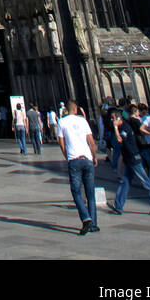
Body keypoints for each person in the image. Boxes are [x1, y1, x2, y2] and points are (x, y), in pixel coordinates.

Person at [107, 108, 150, 216]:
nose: (111, 120)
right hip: (129, 159)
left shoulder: (124, 127)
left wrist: (115, 127)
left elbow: (120, 140)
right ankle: (118, 206)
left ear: (118, 118)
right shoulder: (122, 127)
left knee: (146, 182)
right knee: (125, 181)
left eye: (113, 118)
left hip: (134, 158)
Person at [58, 99, 99, 234]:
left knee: (76, 192)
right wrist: (94, 157)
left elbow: (61, 143)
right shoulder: (82, 121)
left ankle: (86, 219)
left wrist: (67, 157)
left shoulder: (62, 122)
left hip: (73, 159)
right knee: (90, 193)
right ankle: (93, 223)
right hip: (87, 158)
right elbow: (92, 143)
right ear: (76, 110)